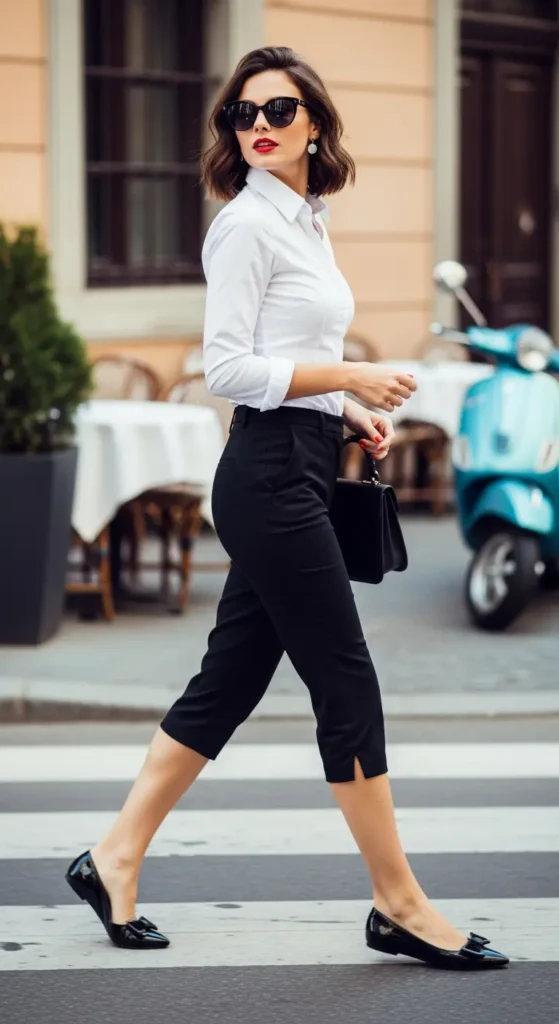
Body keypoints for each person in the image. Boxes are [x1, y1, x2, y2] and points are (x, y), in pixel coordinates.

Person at [65, 46, 508, 971]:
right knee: (344, 681)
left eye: (276, 109)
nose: (256, 124)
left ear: (313, 123)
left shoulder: (306, 218)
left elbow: (284, 354)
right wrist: (350, 373)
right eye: (240, 113)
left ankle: (113, 859)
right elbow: (226, 369)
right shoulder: (244, 226)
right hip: (266, 480)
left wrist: (344, 412)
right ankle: (398, 903)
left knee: (227, 683)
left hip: (302, 461)